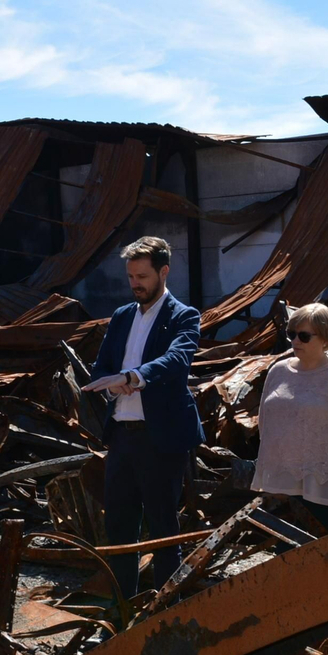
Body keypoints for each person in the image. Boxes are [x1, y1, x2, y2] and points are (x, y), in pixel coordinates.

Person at [89, 236, 205, 599]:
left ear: (164, 271)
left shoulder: (183, 316)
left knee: (163, 527)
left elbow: (176, 361)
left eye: (142, 275)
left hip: (161, 437)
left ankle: (168, 610)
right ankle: (123, 607)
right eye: (130, 276)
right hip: (122, 435)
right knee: (120, 525)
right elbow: (102, 368)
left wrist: (132, 377)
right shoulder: (123, 316)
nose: (135, 283)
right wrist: (111, 385)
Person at [252, 303, 328, 533]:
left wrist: (323, 450)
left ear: (326, 339)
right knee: (282, 560)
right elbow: (265, 423)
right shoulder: (277, 371)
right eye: (291, 334)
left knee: (326, 560)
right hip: (281, 486)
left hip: (323, 489)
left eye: (304, 336)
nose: (295, 341)